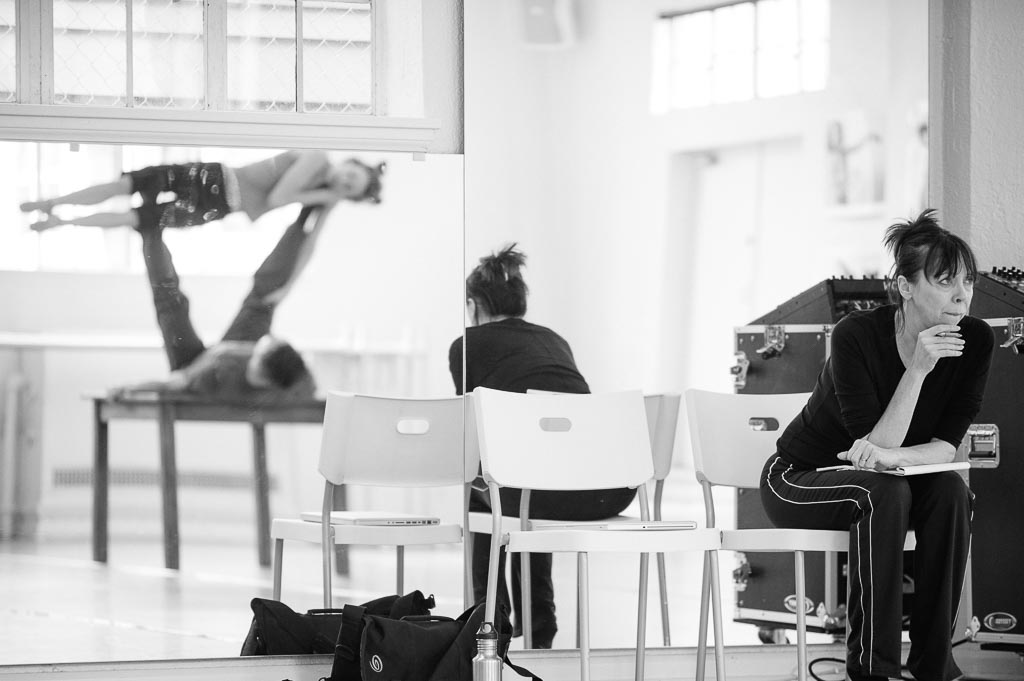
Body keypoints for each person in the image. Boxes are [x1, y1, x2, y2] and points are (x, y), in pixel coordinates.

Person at [759, 209, 994, 681]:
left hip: (886, 478)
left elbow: (944, 448)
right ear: (906, 288)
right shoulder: (856, 335)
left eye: (966, 280)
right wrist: (919, 370)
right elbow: (872, 446)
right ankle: (872, 669)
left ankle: (932, 666)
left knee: (949, 491)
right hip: (798, 478)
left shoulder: (976, 340)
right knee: (882, 491)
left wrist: (892, 458)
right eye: (945, 281)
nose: (961, 294)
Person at [449, 244, 637, 649]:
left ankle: (487, 627)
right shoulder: (555, 340)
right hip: (604, 492)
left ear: (473, 304)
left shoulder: (467, 344)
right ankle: (541, 631)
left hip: (539, 493)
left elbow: (475, 435)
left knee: (484, 486)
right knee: (530, 480)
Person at [113, 204, 332, 401]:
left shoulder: (216, 373)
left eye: (257, 355)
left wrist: (129, 389)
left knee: (170, 305)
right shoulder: (276, 362)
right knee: (263, 300)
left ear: (264, 378)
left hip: (191, 367)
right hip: (218, 359)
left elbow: (171, 384)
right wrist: (321, 211)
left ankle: (151, 232)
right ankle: (303, 217)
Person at [20, 150, 384, 231]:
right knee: (126, 186)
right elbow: (277, 198)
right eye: (353, 176)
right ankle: (54, 202)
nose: (346, 183)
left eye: (351, 189)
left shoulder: (320, 191)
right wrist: (326, 197)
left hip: (218, 207)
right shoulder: (318, 161)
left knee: (136, 217)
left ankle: (61, 222)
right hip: (211, 180)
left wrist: (327, 199)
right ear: (351, 163)